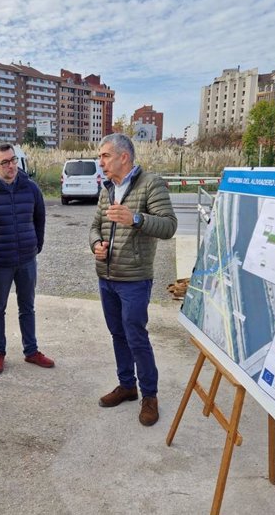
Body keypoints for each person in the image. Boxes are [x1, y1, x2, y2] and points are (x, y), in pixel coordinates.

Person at [89, 133, 177, 427]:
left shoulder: (151, 184)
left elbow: (168, 226)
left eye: (104, 155)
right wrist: (96, 245)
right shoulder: (107, 188)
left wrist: (136, 219)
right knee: (117, 334)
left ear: (123, 157)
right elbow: (94, 226)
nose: (100, 161)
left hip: (135, 278)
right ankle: (127, 386)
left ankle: (149, 396)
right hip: (107, 277)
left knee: (136, 336)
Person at [0, 142, 54, 374]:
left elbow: (39, 218)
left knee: (27, 307)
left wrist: (36, 245)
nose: (11, 166)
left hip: (26, 260)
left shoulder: (31, 188)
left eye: (14, 160)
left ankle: (31, 351)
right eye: (5, 162)